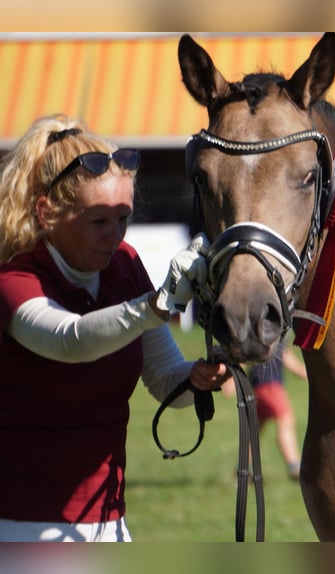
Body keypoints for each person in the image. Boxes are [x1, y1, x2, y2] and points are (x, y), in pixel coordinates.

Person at [0, 114, 232, 542]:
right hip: (22, 526)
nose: (116, 234)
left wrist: (197, 378)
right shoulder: (16, 280)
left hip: (111, 522)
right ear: (47, 213)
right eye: (98, 220)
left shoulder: (124, 263)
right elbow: (72, 341)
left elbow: (164, 377)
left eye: (123, 217)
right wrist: (158, 302)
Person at [222, 341, 307, 479]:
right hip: (271, 388)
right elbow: (295, 366)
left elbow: (241, 361)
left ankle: (241, 469)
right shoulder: (275, 343)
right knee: (285, 420)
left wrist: (230, 383)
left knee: (255, 430)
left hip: (257, 389)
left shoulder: (254, 340)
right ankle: (294, 466)